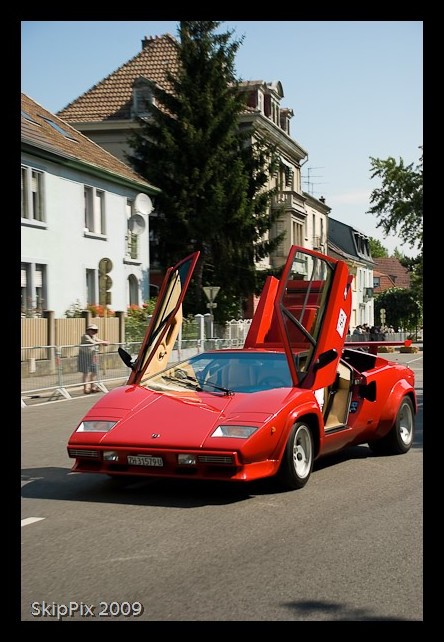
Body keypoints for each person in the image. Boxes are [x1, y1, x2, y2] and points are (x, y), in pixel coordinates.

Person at [78, 324, 109, 394]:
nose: (93, 331)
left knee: (94, 371)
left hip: (92, 356)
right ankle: (85, 388)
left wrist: (104, 342)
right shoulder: (85, 336)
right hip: (84, 356)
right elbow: (93, 342)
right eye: (91, 330)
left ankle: (93, 387)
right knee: (86, 373)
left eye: (95, 330)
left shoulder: (94, 336)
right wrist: (102, 342)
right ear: (88, 330)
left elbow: (98, 340)